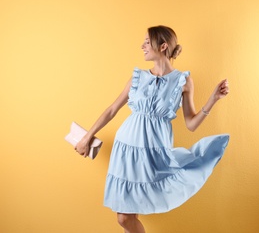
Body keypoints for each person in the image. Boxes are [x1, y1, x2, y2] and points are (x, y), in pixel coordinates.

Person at [75, 25, 230, 233]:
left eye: (147, 42)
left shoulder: (183, 81)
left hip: (154, 153)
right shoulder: (137, 78)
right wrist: (87, 137)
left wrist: (213, 100)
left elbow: (191, 124)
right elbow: (112, 109)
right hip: (126, 149)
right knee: (124, 217)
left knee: (127, 216)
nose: (142, 46)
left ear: (163, 46)